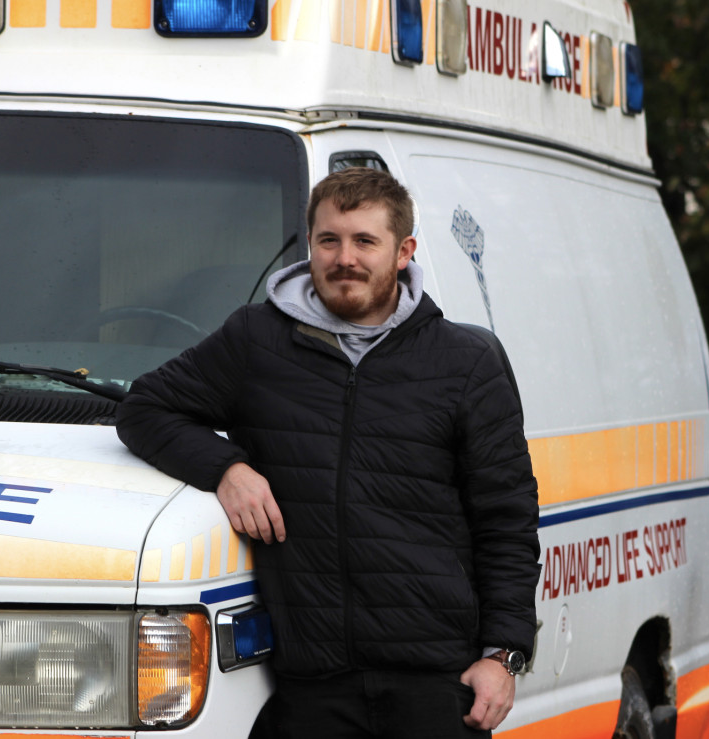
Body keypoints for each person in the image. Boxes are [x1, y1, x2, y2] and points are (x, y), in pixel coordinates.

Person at [116, 167, 540, 737]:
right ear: (310, 244)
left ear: (404, 251)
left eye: (366, 241)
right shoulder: (257, 341)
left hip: (438, 683)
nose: (346, 258)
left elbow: (506, 522)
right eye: (329, 240)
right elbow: (144, 409)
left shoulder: (465, 362)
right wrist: (226, 469)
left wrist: (503, 655)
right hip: (310, 683)